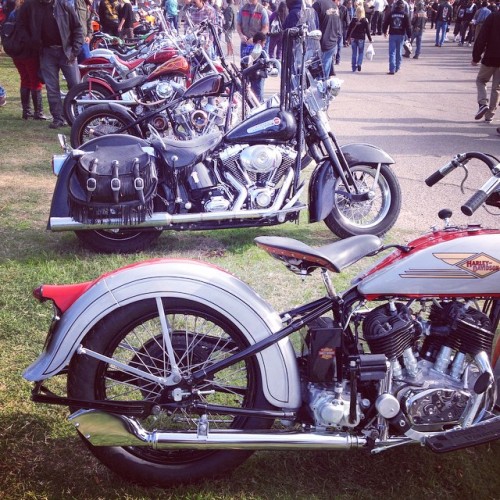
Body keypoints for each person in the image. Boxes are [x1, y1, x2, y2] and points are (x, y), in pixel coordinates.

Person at [18, 0, 83, 128]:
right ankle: (58, 118)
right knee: (52, 88)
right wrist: (30, 41)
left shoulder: (64, 5)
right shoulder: (31, 6)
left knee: (75, 85)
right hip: (46, 52)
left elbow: (78, 28)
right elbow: (20, 25)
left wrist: (74, 50)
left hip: (67, 51)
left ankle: (76, 116)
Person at [6, 0, 48, 120]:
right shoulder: (30, 10)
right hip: (28, 51)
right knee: (35, 81)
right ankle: (38, 112)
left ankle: (26, 111)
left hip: (16, 51)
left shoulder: (13, 11)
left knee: (25, 80)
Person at [471, 9, 499, 124]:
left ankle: (483, 103)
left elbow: (482, 37)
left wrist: (476, 57)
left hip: (490, 56)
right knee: (497, 88)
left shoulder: (493, 16)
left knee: (481, 80)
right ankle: (490, 115)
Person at [313, 0, 342, 77]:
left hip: (321, 43)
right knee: (325, 70)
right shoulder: (335, 6)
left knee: (319, 73)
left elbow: (312, 24)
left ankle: (321, 86)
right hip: (333, 42)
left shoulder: (318, 4)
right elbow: (339, 26)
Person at [383, 0, 411, 74]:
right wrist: (409, 35)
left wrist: (384, 31)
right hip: (401, 35)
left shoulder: (391, 14)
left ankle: (392, 69)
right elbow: (408, 26)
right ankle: (397, 67)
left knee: (392, 52)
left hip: (392, 34)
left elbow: (385, 23)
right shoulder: (405, 15)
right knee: (399, 51)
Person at [345, 5, 372, 72]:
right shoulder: (365, 20)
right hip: (361, 38)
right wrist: (370, 39)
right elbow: (368, 31)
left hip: (353, 38)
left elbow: (349, 29)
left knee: (354, 53)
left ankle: (353, 67)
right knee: (361, 52)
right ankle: (359, 63)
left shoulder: (353, 19)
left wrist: (346, 38)